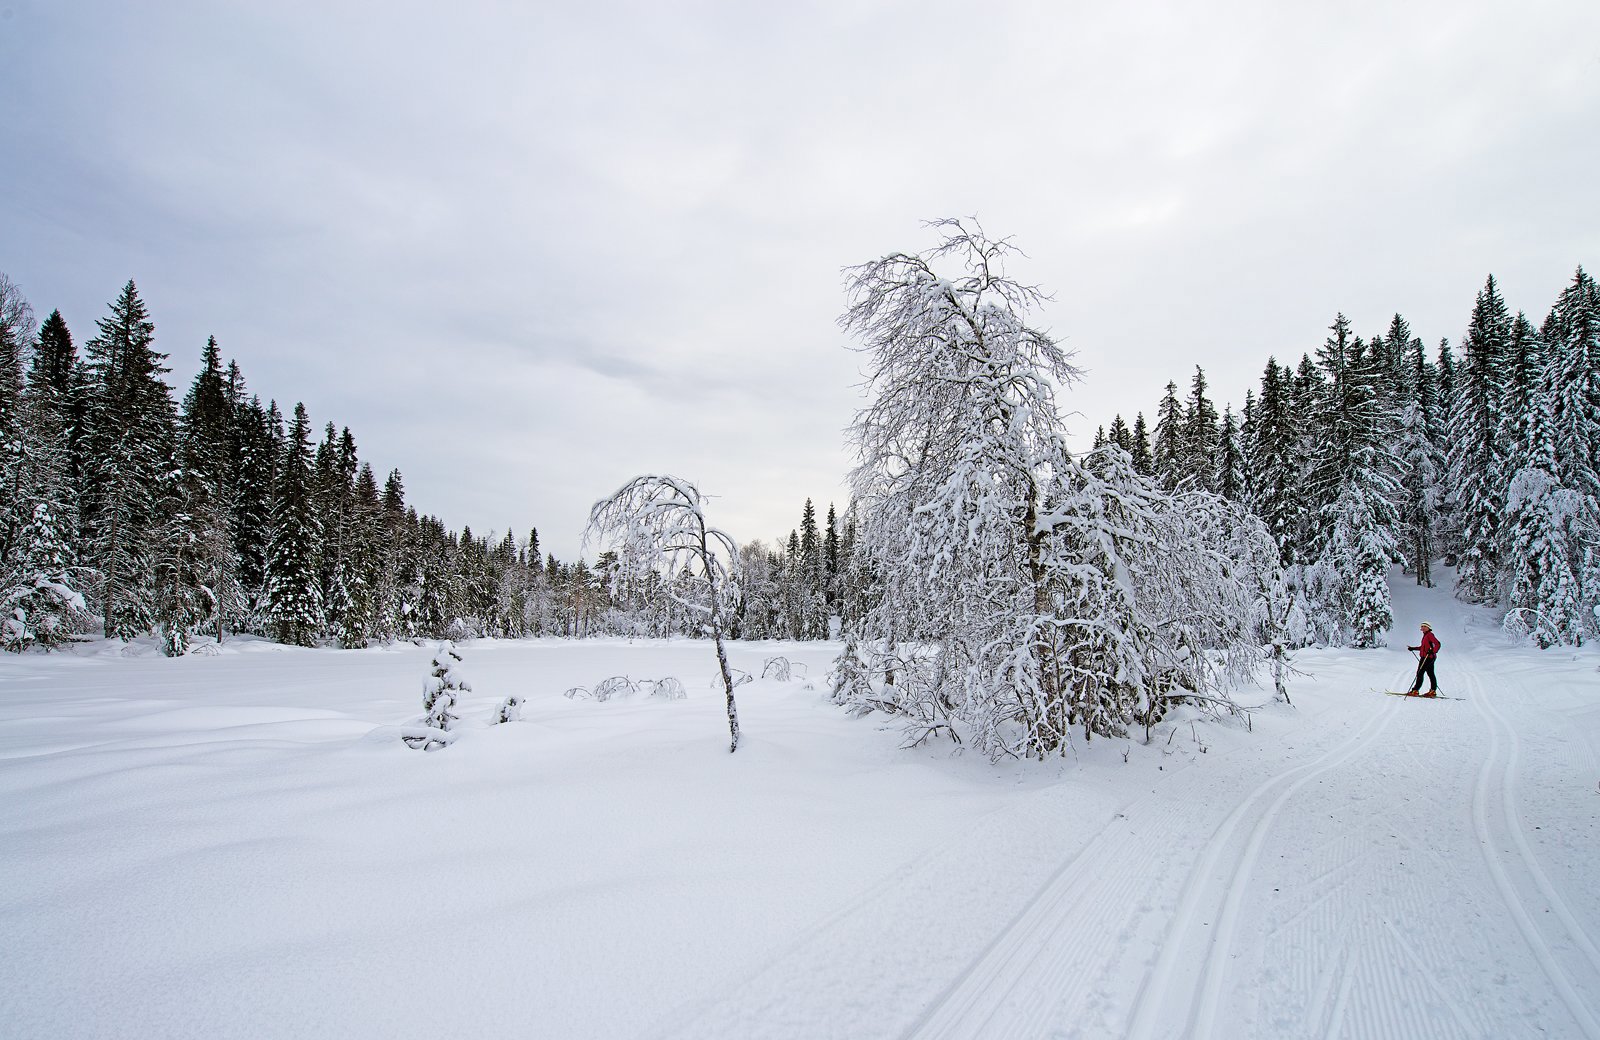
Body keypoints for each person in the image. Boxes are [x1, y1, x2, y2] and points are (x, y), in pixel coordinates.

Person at [1406, 622, 1441, 696]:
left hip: (1428, 657)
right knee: (1430, 673)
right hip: (1427, 657)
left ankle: (1415, 690)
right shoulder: (1425, 636)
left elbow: (1438, 644)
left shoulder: (1430, 635)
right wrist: (1413, 648)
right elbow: (1423, 648)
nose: (1423, 627)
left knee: (1420, 673)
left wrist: (1432, 651)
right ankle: (1433, 691)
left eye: (1425, 626)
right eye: (1422, 626)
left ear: (1428, 627)